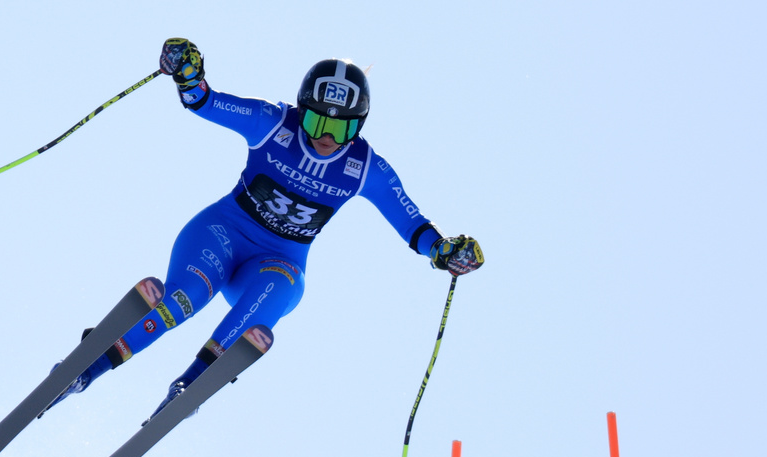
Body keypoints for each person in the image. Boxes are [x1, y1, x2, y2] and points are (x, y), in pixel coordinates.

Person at [42, 38, 484, 419]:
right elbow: (205, 101)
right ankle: (85, 370)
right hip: (221, 234)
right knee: (184, 298)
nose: (326, 136)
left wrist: (443, 251)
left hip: (274, 262)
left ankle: (189, 385)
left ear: (358, 126)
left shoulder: (366, 168)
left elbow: (412, 223)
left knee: (285, 287)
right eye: (316, 120)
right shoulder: (272, 122)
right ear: (301, 109)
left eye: (340, 127)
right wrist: (188, 75)